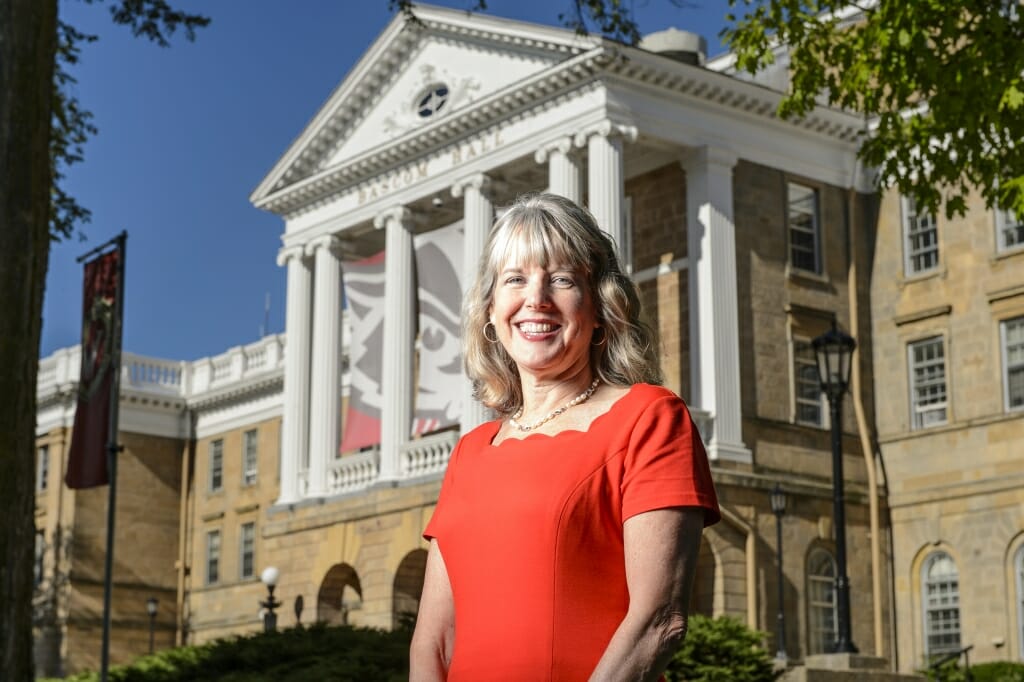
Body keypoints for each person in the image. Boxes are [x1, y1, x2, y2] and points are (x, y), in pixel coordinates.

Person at [410, 193, 720, 681]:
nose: (536, 298)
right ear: (491, 311)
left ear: (600, 307)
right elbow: (433, 641)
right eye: (515, 279)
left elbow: (658, 621)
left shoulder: (649, 418)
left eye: (562, 280)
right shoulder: (470, 452)